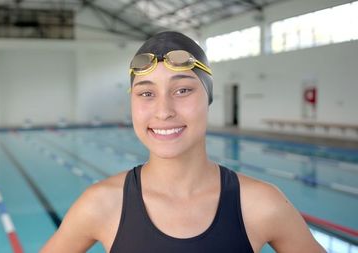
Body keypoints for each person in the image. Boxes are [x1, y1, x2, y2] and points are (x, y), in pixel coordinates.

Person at [40, 31, 325, 253]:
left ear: (208, 99)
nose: (164, 111)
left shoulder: (262, 204)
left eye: (183, 89)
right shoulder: (100, 204)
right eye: (146, 93)